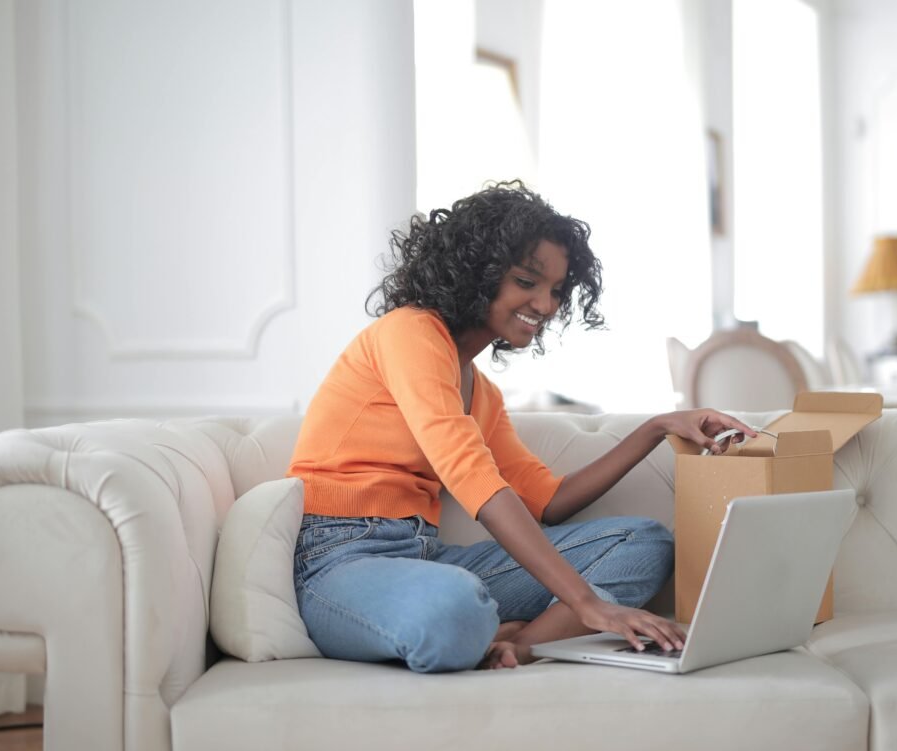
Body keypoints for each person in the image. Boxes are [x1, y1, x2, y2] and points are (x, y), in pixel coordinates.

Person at [287, 181, 755, 673]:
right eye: (527, 282)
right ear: (477, 273)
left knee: (643, 544)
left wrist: (655, 428)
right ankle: (492, 625)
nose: (547, 305)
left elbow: (548, 502)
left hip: (421, 557)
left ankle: (521, 646)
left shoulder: (481, 392)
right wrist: (585, 603)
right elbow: (473, 478)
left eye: (556, 290)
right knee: (453, 606)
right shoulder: (410, 331)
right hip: (338, 563)